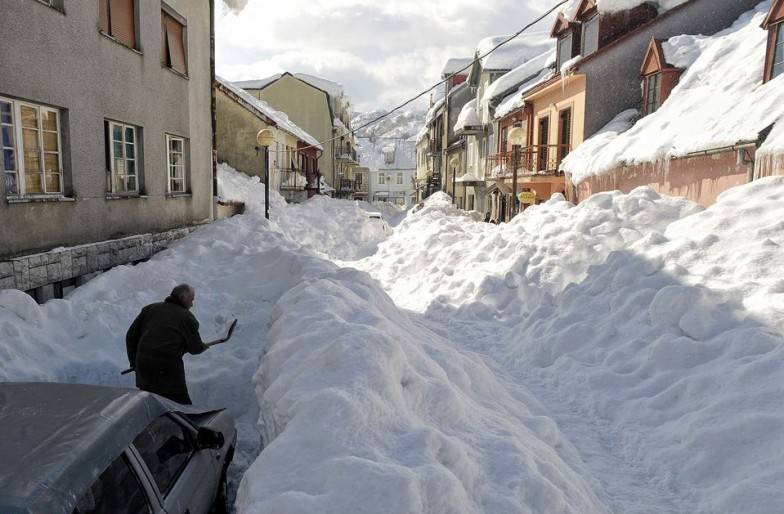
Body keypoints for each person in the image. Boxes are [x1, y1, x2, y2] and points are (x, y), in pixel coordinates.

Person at [126, 284, 213, 405]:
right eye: (191, 300)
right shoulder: (186, 318)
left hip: (144, 370)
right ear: (182, 298)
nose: (192, 304)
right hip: (167, 374)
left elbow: (131, 337)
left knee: (151, 406)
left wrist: (134, 362)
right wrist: (203, 346)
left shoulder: (149, 309)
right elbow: (195, 348)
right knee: (182, 409)